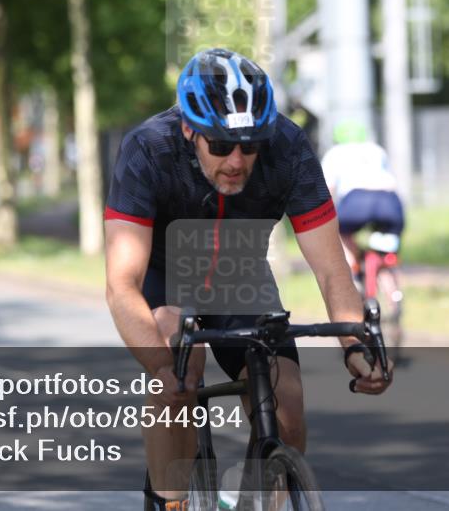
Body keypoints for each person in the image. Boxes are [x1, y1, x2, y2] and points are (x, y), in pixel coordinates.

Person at [104, 48, 392, 511]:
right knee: (178, 373)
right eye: (220, 146)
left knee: (287, 406)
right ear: (188, 130)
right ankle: (170, 501)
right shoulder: (149, 149)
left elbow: (331, 268)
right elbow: (121, 283)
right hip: (165, 273)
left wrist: (357, 346)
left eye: (250, 145)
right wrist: (162, 366)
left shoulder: (288, 146)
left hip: (241, 271)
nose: (237, 160)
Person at [320, 120, 405, 279]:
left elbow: (328, 190)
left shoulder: (334, 153)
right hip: (389, 200)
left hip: (356, 200)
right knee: (388, 242)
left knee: (339, 231)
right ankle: (391, 279)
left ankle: (353, 265)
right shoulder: (377, 150)